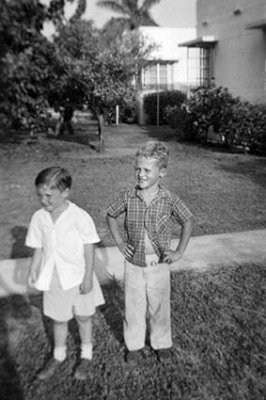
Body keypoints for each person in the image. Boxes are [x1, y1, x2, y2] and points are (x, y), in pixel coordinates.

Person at [106, 141, 193, 365]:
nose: (140, 174)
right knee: (133, 306)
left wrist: (179, 251)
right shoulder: (128, 197)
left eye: (146, 170)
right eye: (137, 169)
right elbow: (110, 215)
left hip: (159, 265)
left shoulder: (168, 199)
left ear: (161, 172)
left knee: (159, 306)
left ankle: (161, 343)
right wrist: (119, 242)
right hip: (134, 264)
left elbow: (187, 220)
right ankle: (134, 345)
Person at [26, 167, 104, 380]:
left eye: (48, 195)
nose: (43, 200)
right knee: (58, 319)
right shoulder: (39, 218)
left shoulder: (79, 216)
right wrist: (34, 267)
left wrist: (88, 276)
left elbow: (89, 246)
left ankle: (86, 354)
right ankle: (58, 355)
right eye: (39, 195)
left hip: (78, 276)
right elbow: (38, 245)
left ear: (66, 192)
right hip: (53, 278)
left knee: (83, 316)